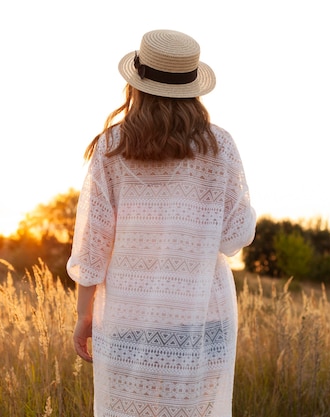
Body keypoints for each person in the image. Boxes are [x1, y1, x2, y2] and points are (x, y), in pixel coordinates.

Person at [67, 29, 256, 416]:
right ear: (193, 88)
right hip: (204, 320)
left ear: (136, 86)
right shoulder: (220, 149)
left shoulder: (111, 148)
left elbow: (91, 246)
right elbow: (237, 234)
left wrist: (84, 316)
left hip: (125, 319)